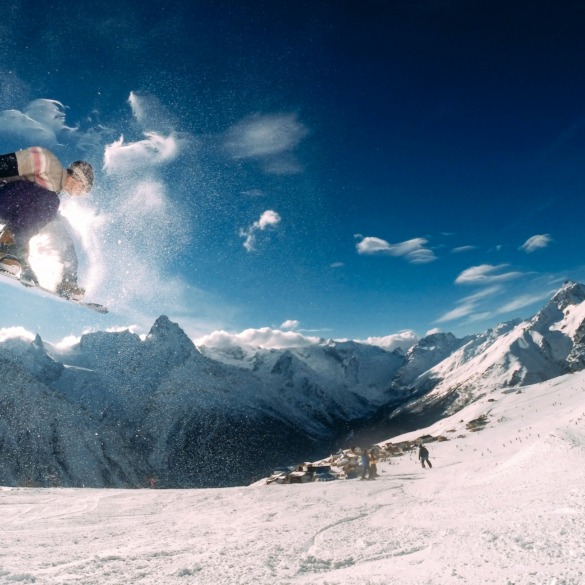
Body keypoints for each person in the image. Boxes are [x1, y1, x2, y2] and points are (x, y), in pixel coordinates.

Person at [0, 146, 94, 298]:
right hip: (4, 195)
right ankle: (8, 247)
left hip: (15, 208)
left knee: (61, 233)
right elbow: (6, 163)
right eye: (84, 189)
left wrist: (24, 263)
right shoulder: (47, 162)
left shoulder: (50, 196)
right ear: (78, 178)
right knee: (50, 202)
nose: (80, 194)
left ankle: (67, 282)